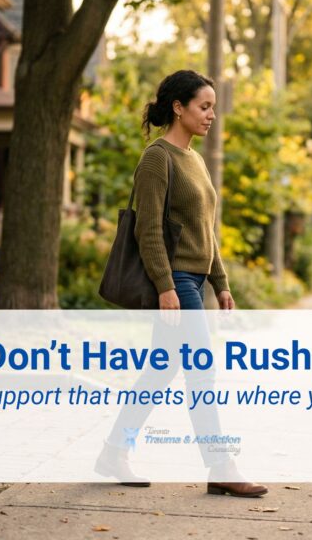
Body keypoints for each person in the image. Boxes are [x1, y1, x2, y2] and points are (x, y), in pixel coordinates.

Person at [94, 70, 268, 498]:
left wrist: (221, 282)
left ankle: (114, 450)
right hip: (174, 283)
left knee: (161, 370)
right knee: (201, 369)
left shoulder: (195, 159)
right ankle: (220, 464)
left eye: (213, 107)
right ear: (179, 107)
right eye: (204, 106)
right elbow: (148, 230)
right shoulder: (158, 158)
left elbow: (206, 230)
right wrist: (166, 286)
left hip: (195, 280)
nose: (211, 115)